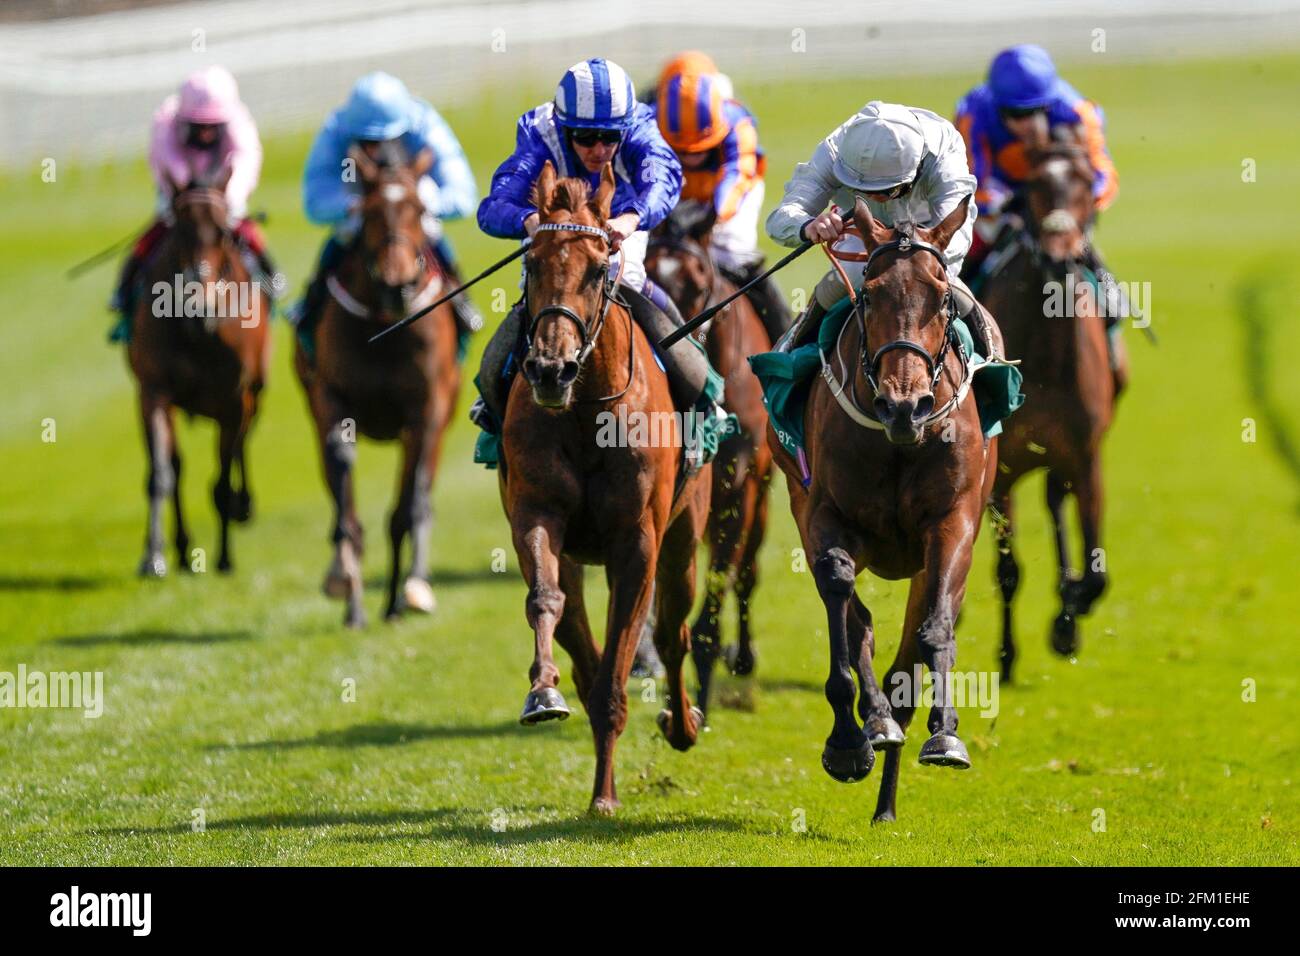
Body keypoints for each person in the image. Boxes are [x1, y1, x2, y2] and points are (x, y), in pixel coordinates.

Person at [473, 57, 724, 429]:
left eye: (609, 138)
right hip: (553, 235)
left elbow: (665, 178)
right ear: (563, 126)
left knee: (631, 278)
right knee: (534, 288)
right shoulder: (538, 131)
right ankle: (494, 407)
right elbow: (494, 204)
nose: (599, 149)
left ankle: (701, 399)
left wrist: (631, 218)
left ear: (624, 128)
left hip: (616, 225)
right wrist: (528, 220)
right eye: (585, 137)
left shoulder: (639, 124)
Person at [766, 100, 1001, 358]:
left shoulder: (943, 152)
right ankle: (790, 349)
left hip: (930, 237)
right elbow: (780, 218)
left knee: (949, 287)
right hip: (864, 234)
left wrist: (925, 259)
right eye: (862, 190)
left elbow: (958, 227)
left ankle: (992, 360)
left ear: (916, 170)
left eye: (887, 191)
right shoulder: (835, 151)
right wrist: (807, 225)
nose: (875, 198)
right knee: (853, 273)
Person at [294, 71, 481, 353]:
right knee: (341, 238)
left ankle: (460, 304)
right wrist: (349, 206)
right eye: (367, 142)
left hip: (412, 205)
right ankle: (310, 306)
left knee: (432, 235)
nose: (376, 149)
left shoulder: (425, 124)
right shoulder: (336, 129)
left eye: (385, 140)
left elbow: (463, 195)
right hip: (360, 203)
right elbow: (315, 201)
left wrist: (426, 202)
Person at [954, 44, 1124, 339]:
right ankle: (956, 314)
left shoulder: (1077, 112)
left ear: (1049, 102)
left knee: (1081, 255)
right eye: (1014, 113)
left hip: (1059, 201)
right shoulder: (973, 112)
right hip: (1001, 204)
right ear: (997, 105)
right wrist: (1006, 203)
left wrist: (1072, 208)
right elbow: (971, 181)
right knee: (968, 261)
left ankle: (1110, 330)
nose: (1024, 122)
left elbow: (1103, 177)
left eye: (1034, 111)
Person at [109, 65, 273, 340]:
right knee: (152, 237)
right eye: (199, 127)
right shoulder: (165, 121)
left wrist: (228, 198)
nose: (207, 133)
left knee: (248, 235)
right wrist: (185, 191)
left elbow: (245, 160)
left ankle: (270, 282)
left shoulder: (239, 122)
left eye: (213, 127)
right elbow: (165, 158)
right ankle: (125, 294)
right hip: (178, 195)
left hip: (223, 195)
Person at [653, 53, 792, 344]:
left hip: (732, 196)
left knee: (731, 252)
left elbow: (737, 176)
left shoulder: (738, 125)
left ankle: (786, 336)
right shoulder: (650, 124)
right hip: (675, 195)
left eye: (701, 148)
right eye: (682, 150)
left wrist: (713, 215)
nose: (691, 156)